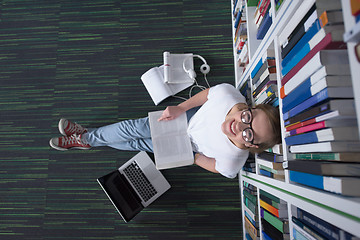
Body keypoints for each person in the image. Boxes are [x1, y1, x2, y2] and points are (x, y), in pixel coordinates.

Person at [49, 83, 281, 178]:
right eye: (247, 117)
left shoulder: (234, 161)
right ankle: (87, 138)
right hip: (189, 119)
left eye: (248, 133)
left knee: (138, 143)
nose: (239, 125)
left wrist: (192, 157)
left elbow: (215, 166)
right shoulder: (228, 95)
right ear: (250, 108)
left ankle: (87, 139)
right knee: (134, 128)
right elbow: (208, 94)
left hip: (187, 147)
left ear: (252, 146)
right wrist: (181, 108)